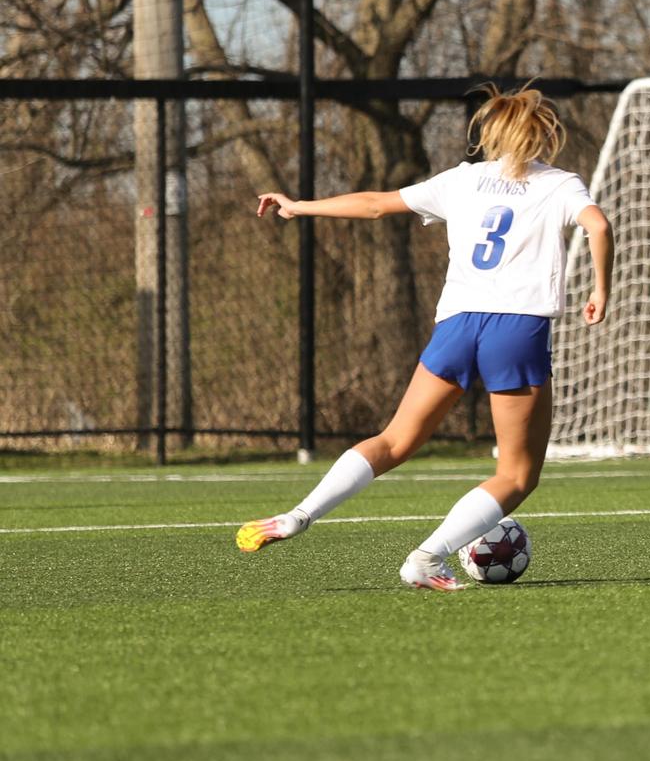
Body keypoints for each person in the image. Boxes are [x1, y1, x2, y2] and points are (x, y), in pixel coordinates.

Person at [237, 86, 614, 589]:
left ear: (490, 134)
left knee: (394, 440)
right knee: (518, 475)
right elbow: (599, 225)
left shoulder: (463, 181)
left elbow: (374, 204)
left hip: (456, 325)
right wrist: (600, 290)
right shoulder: (560, 184)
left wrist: (298, 206)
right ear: (545, 134)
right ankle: (427, 557)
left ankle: (298, 515)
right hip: (516, 328)